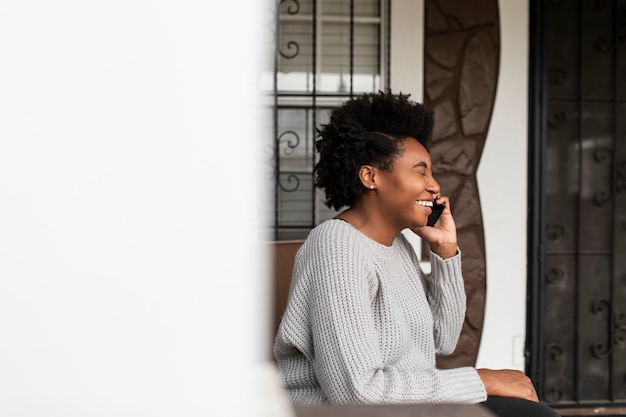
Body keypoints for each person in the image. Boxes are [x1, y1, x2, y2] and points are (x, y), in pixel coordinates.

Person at [273, 90, 560, 417]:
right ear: (370, 176)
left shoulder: (399, 246)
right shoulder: (336, 246)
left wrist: (445, 253)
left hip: (407, 406)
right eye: (420, 171)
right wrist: (481, 380)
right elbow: (356, 392)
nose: (434, 185)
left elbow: (443, 339)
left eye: (431, 173)